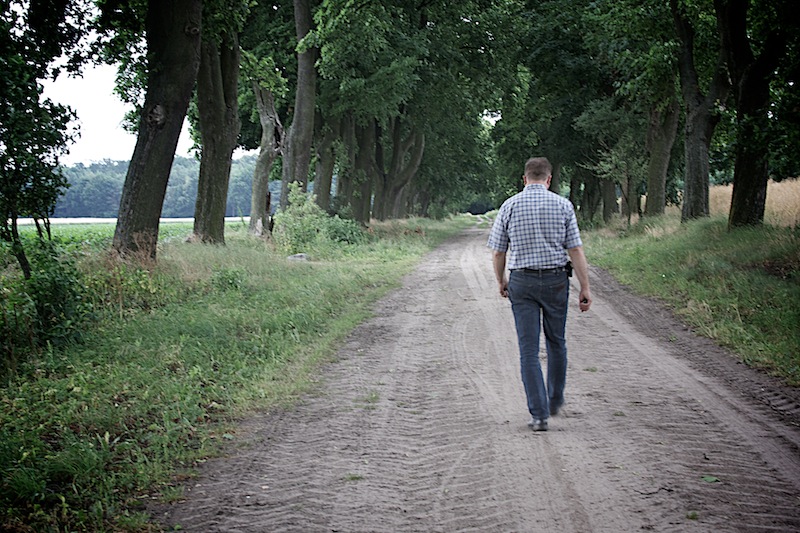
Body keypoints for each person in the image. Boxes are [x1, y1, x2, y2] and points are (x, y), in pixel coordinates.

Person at [487, 157, 592, 432]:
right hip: (557, 280)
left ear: (524, 179)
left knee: (529, 350)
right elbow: (576, 250)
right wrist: (585, 287)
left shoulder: (509, 206)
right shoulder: (563, 205)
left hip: (522, 281)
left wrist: (501, 280)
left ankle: (539, 414)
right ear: (548, 179)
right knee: (557, 341)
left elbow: (498, 251)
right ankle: (555, 398)